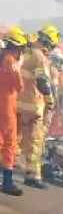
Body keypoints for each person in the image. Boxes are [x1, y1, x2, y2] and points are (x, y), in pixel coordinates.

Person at [17, 24, 61, 189]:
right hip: (33, 106)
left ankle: (5, 168)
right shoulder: (40, 57)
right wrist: (50, 100)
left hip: (17, 103)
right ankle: (32, 176)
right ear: (48, 43)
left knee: (15, 138)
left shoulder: (24, 52)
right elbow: (42, 81)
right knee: (35, 142)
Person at [0, 26, 28, 196]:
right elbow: (19, 85)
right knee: (10, 143)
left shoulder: (3, 57)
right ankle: (8, 182)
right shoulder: (11, 61)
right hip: (7, 106)